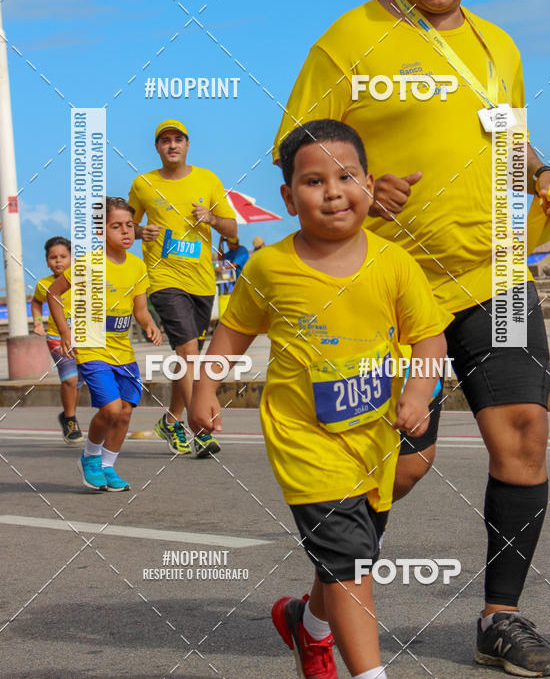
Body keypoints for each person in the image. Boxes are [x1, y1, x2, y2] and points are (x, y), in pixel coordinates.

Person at [273, 0, 550, 676]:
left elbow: (511, 140)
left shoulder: (497, 47)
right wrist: (359, 185)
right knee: (401, 465)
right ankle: (315, 606)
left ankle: (499, 618)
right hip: (396, 287)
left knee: (524, 437)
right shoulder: (352, 38)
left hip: (495, 272)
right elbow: (300, 144)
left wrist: (544, 173)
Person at [189, 120, 450, 679]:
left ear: (370, 183)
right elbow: (232, 333)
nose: (333, 190)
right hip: (304, 440)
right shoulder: (269, 267)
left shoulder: (394, 262)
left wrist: (418, 392)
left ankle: (307, 625)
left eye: (346, 175)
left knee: (348, 556)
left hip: (374, 438)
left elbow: (429, 336)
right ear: (288, 197)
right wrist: (205, 388)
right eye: (313, 180)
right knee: (353, 565)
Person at [128, 119, 237, 457]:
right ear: (157, 148)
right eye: (165, 141)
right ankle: (200, 429)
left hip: (202, 282)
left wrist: (212, 218)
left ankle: (171, 420)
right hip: (164, 280)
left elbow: (232, 230)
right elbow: (122, 226)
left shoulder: (208, 179)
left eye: (178, 140)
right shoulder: (143, 184)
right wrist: (137, 232)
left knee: (187, 358)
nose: (172, 145)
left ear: (187, 145)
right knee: (189, 353)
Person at [48, 197, 161, 491]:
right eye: (116, 226)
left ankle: (108, 466)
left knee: (125, 411)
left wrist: (149, 324)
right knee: (110, 409)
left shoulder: (137, 266)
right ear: (100, 231)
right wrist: (65, 332)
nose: (125, 232)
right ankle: (90, 458)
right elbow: (54, 294)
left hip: (123, 350)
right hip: (93, 346)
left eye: (129, 226)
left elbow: (139, 309)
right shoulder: (88, 264)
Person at [32, 236, 84, 444]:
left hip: (82, 338)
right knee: (70, 379)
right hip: (56, 337)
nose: (58, 261)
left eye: (63, 256)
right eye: (53, 257)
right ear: (47, 261)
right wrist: (37, 322)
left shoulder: (81, 279)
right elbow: (36, 303)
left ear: (72, 258)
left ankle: (67, 414)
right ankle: (70, 420)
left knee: (78, 382)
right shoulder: (43, 284)